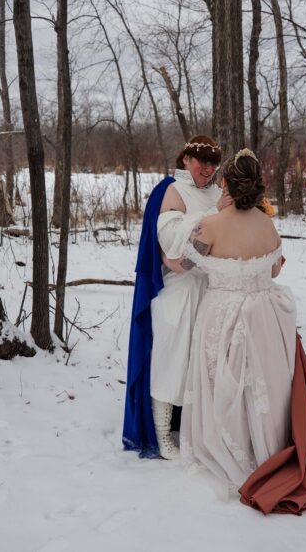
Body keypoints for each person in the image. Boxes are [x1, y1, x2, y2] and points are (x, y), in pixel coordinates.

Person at [173, 148, 306, 514]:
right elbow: (274, 270)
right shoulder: (268, 225)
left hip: (222, 313)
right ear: (256, 187)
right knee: (260, 383)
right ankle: (263, 444)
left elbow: (183, 265)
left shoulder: (209, 226)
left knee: (224, 380)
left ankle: (228, 444)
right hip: (264, 316)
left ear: (227, 185)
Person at [123, 136, 227, 459]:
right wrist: (213, 218)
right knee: (172, 357)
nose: (207, 170)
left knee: (199, 361)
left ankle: (191, 427)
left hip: (209, 287)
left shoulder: (217, 193)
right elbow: (172, 252)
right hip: (178, 289)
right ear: (186, 160)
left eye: (213, 164)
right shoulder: (171, 190)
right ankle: (161, 432)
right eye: (201, 162)